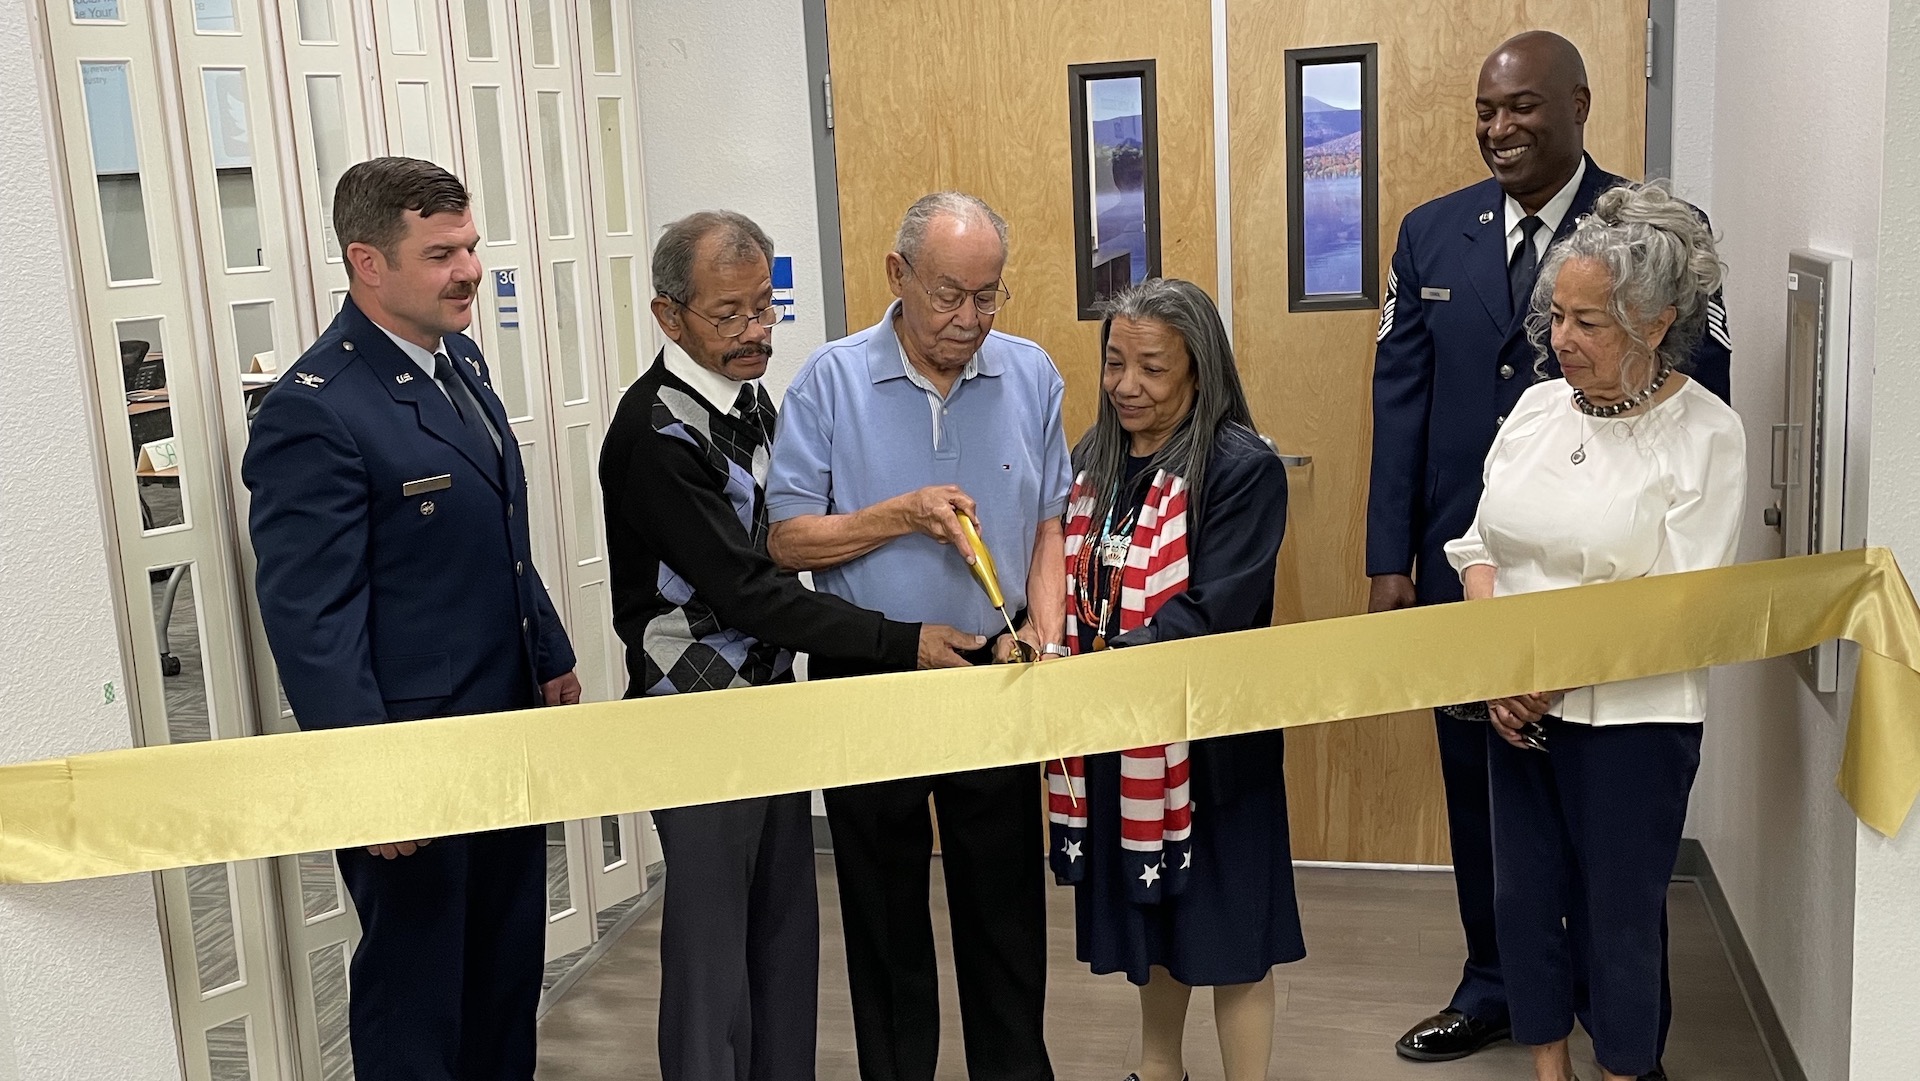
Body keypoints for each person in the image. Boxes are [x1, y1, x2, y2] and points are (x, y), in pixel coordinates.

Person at [1367, 31, 1732, 1066]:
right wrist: (1390, 554)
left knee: (1612, 860)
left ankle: (1615, 1025)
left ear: (1578, 103)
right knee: (1490, 811)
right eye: (1486, 109)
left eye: (1521, 107)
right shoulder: (1431, 232)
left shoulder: (1654, 230)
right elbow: (1398, 394)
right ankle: (1496, 984)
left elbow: (1701, 394)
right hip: (1480, 564)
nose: (1498, 127)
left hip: (1618, 578)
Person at [598, 209, 985, 1081]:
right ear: (669, 317)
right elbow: (751, 591)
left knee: (782, 940)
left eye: (764, 310)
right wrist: (899, 641)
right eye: (727, 315)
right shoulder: (652, 434)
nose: (754, 334)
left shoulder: (753, 403)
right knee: (710, 961)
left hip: (772, 708)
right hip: (694, 717)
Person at [242, 157, 578, 1081]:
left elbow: (498, 527)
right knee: (418, 993)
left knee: (506, 975)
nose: (470, 268)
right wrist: (369, 772)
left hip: (500, 729)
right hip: (410, 753)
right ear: (368, 263)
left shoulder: (456, 359)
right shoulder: (316, 413)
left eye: (470, 245)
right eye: (441, 253)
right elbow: (311, 619)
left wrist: (547, 649)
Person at [764, 191, 1070, 1081]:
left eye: (987, 296)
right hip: (872, 675)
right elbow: (786, 541)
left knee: (1006, 918)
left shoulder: (1032, 373)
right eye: (947, 295)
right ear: (898, 277)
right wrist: (900, 514)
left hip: (996, 671)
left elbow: (1048, 522)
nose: (968, 319)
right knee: (885, 918)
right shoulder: (829, 379)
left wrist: (1043, 633)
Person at [1445, 181, 1744, 1081]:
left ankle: (1623, 1069)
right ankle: (1548, 1067)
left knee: (1620, 912)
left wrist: (1539, 671)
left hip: (1633, 719)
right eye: (1558, 315)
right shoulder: (1537, 410)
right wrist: (1506, 666)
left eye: (1589, 323)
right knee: (1524, 898)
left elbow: (1678, 603)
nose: (1560, 340)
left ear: (1654, 322)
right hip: (1515, 704)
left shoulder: (1706, 434)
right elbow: (1476, 542)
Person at [1045, 278, 1300, 1081]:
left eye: (1152, 367)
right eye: (1115, 363)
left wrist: (1100, 671)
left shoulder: (1242, 467)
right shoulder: (1092, 460)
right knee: (1156, 921)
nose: (1127, 385)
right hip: (1124, 740)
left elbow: (1215, 608)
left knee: (1230, 937)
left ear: (1200, 368)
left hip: (1212, 750)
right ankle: (1159, 1067)